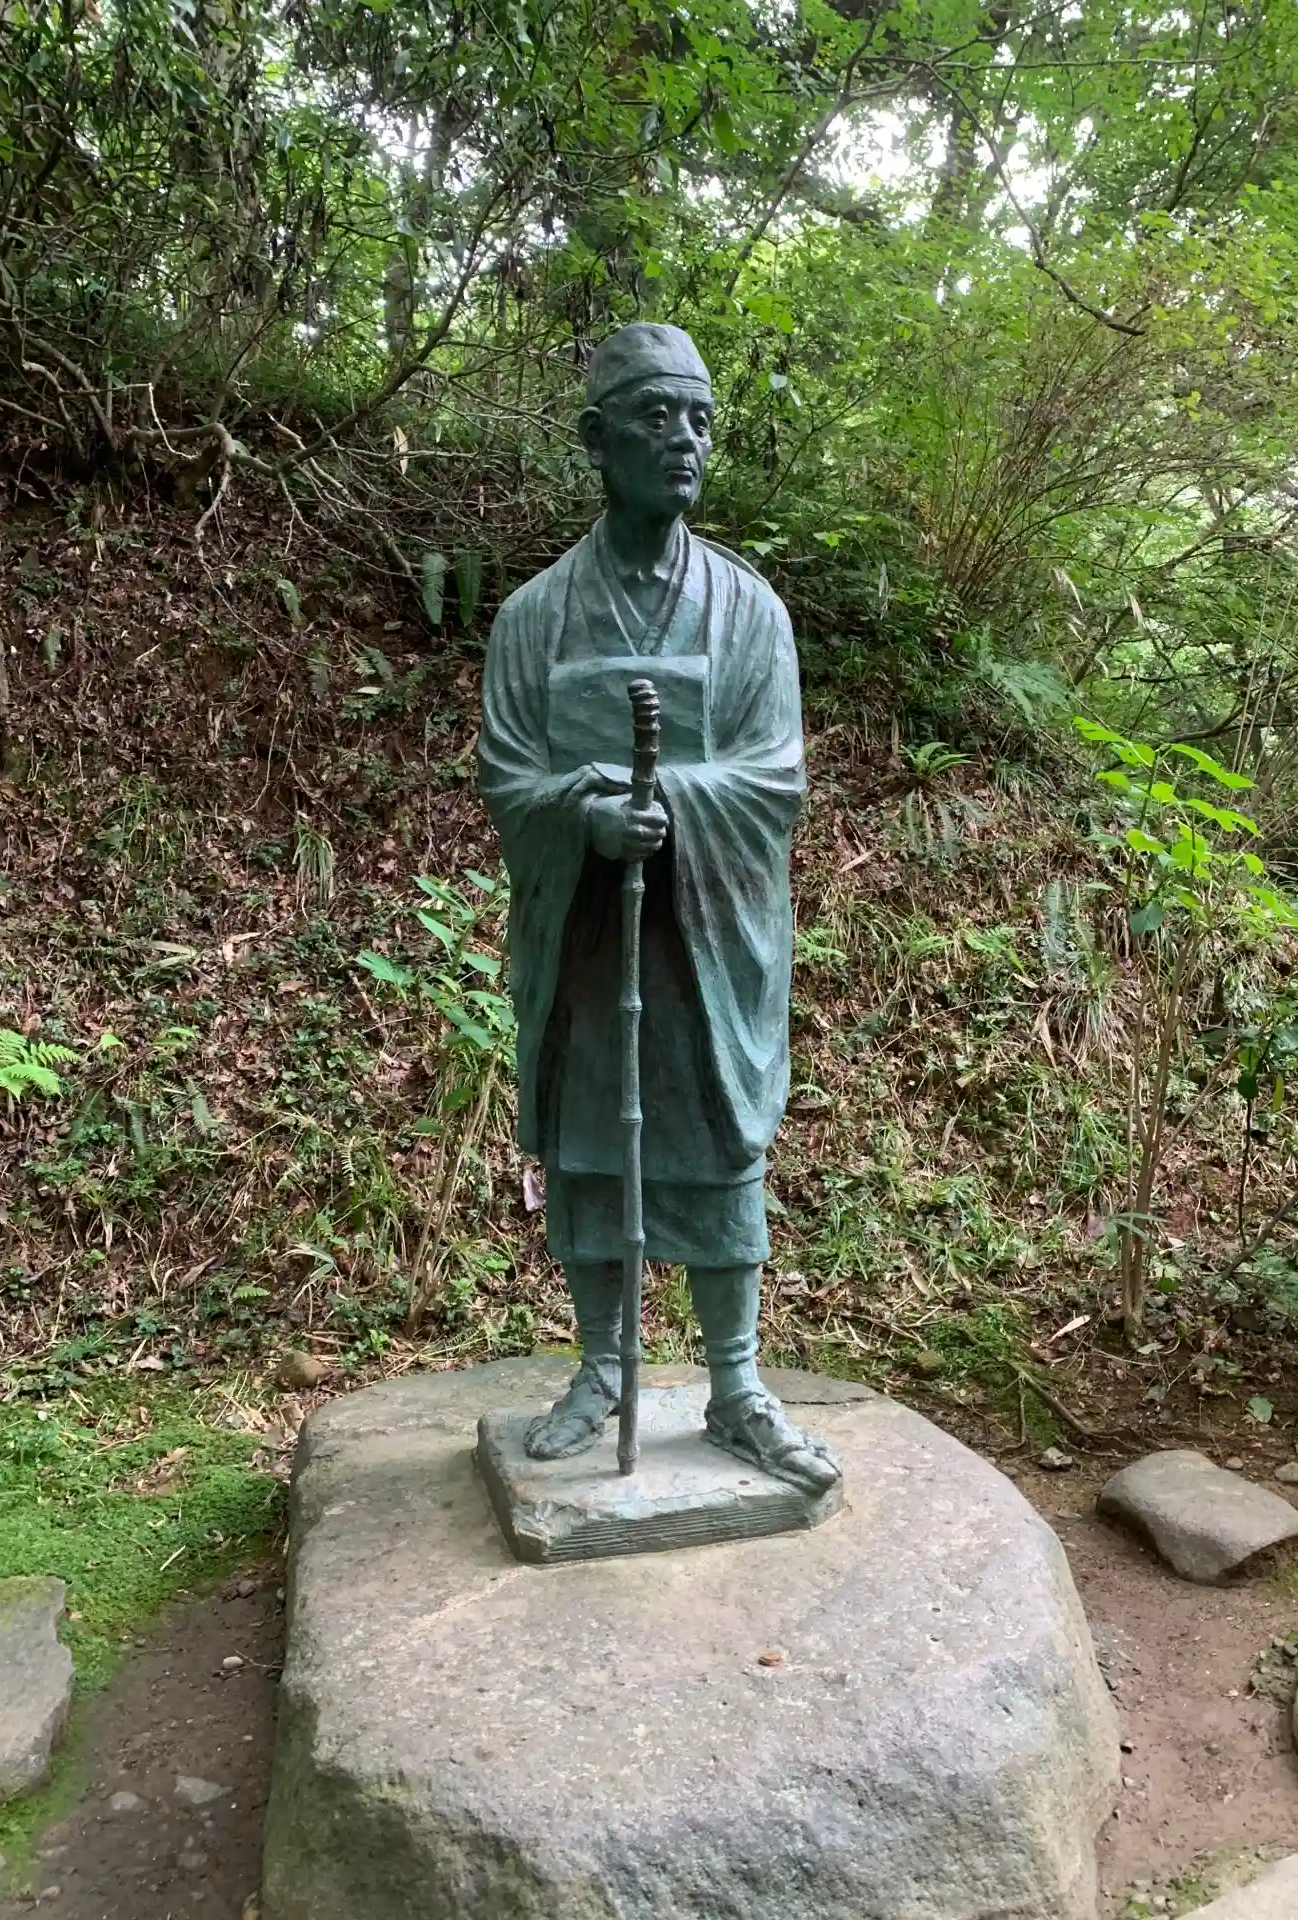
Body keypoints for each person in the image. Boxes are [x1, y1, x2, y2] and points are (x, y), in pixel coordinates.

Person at [479, 322, 837, 1495]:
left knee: (720, 1150)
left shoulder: (750, 613)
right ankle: (601, 1368)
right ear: (596, 439)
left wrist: (670, 802)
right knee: (592, 1150)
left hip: (704, 940)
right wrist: (583, 820)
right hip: (590, 939)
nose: (684, 440)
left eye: (700, 420)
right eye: (655, 417)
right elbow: (509, 778)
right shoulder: (534, 618)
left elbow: (773, 780)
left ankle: (735, 1384)